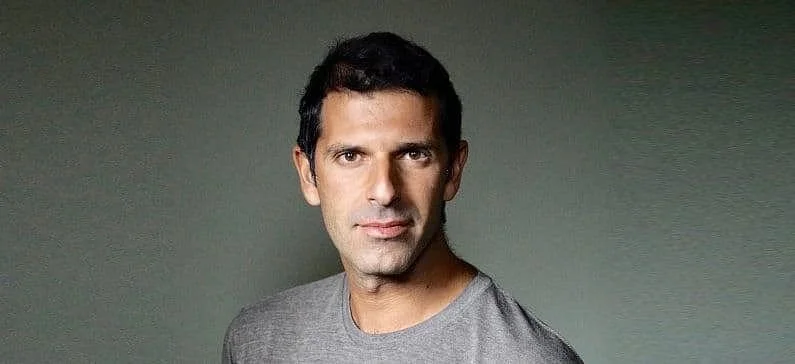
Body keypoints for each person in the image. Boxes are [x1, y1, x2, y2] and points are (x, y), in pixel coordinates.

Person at [222, 32, 583, 363]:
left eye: (413, 155)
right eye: (351, 156)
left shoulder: (525, 357)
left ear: (453, 171)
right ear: (308, 175)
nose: (384, 190)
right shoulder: (257, 341)